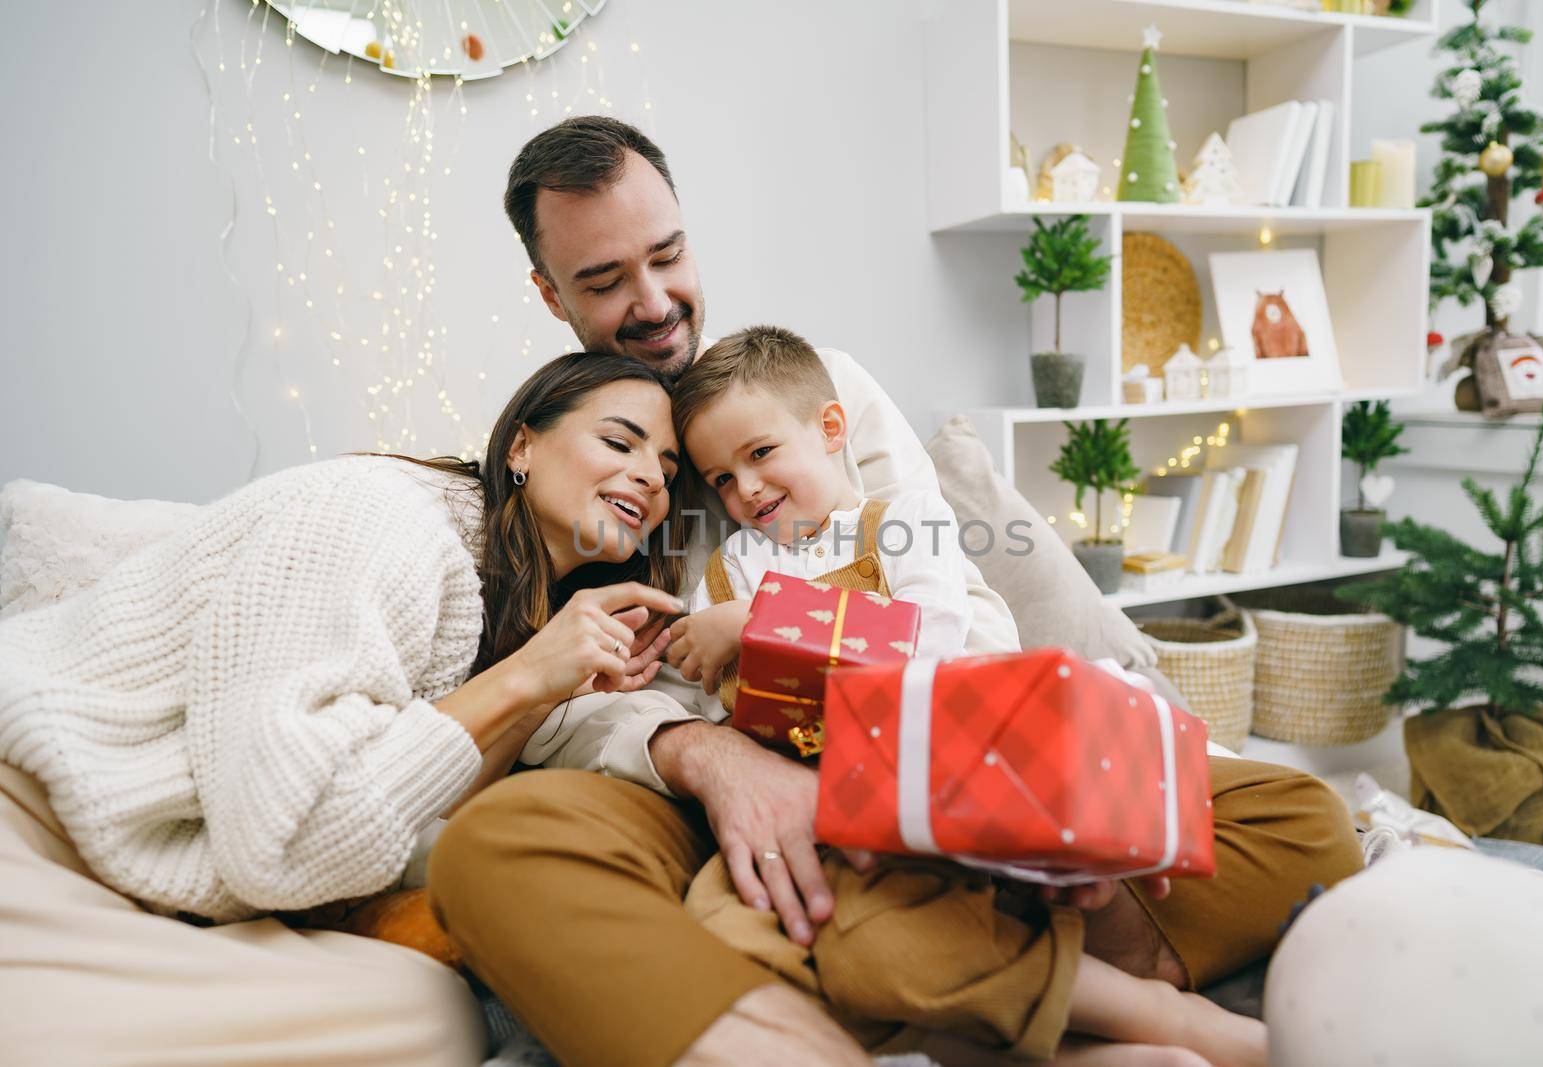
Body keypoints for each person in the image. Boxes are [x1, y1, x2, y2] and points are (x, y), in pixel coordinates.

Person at [427, 116, 1365, 1067]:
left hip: (939, 753)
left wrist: (1023, 798)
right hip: (740, 799)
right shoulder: (569, 452)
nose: (655, 300)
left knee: (1307, 823)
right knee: (527, 853)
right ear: (549, 294)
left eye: (667, 256)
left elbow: (952, 615)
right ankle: (1036, 1002)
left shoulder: (812, 388)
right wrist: (710, 754)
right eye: (604, 280)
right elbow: (564, 701)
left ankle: (1025, 979)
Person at [0, 353, 688, 1065]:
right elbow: (280, 836)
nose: (649, 477)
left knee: (435, 1012)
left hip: (171, 881)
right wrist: (524, 677)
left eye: (668, 473)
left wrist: (541, 687)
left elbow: (394, 828)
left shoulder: (508, 606)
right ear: (521, 444)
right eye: (619, 441)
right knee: (431, 1019)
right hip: (39, 811)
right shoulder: (385, 515)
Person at [659, 324, 1267, 1066]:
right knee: (726, 928)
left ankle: (1160, 1017)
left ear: (829, 429)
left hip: (925, 788)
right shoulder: (730, 569)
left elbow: (928, 644)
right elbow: (712, 696)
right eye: (720, 478)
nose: (746, 488)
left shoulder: (902, 524)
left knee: (897, 926)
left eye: (759, 454)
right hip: (809, 811)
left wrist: (759, 623)